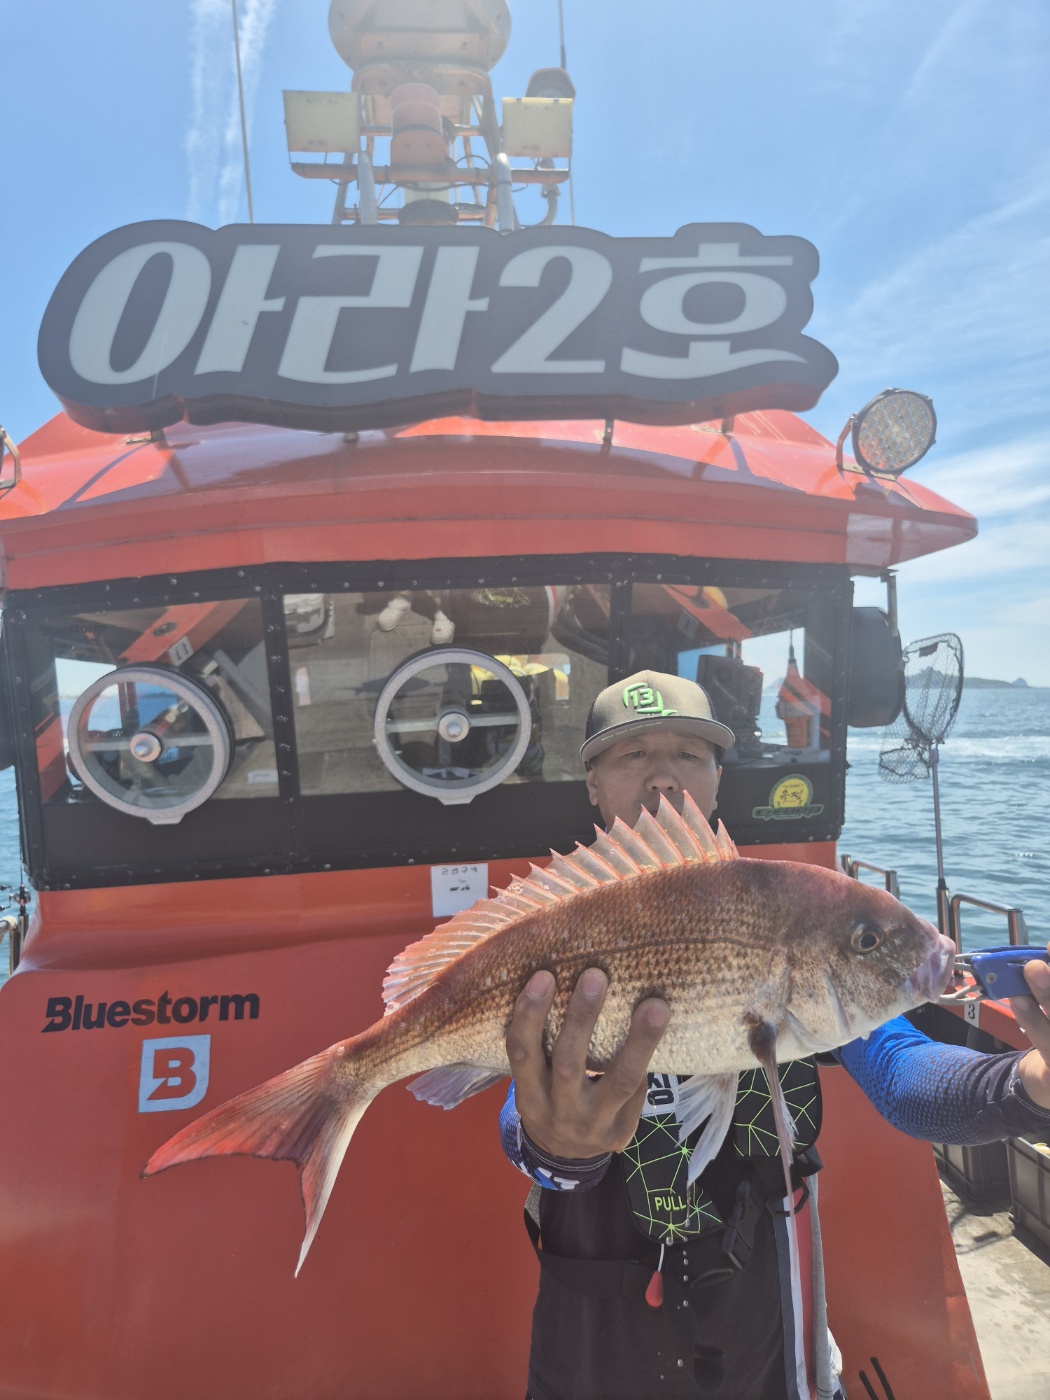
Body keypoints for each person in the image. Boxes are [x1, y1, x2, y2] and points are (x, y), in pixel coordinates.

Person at [499, 669, 1050, 1400]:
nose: (663, 774)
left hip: (762, 1300)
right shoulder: (552, 925)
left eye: (689, 754)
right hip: (592, 1322)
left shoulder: (788, 925)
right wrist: (556, 1148)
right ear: (593, 782)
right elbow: (519, 1121)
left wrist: (1026, 1084)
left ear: (717, 780)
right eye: (633, 754)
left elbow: (903, 1074)